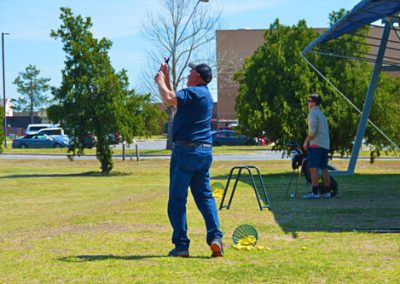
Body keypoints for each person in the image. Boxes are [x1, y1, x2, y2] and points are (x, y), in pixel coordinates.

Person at [154, 61, 224, 257]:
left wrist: (159, 81)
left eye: (191, 71)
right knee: (204, 197)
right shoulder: (205, 95)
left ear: (198, 76)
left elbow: (168, 98)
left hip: (185, 152)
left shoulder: (193, 92)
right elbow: (174, 96)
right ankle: (215, 238)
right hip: (204, 152)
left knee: (177, 199)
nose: (188, 73)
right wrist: (167, 77)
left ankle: (181, 245)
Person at [302, 93, 331, 199]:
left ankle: (315, 192)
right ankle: (327, 192)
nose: (308, 103)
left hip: (316, 144)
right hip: (325, 144)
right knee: (324, 168)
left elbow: (313, 131)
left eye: (309, 101)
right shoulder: (321, 114)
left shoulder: (313, 113)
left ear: (313, 103)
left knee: (313, 168)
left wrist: (306, 141)